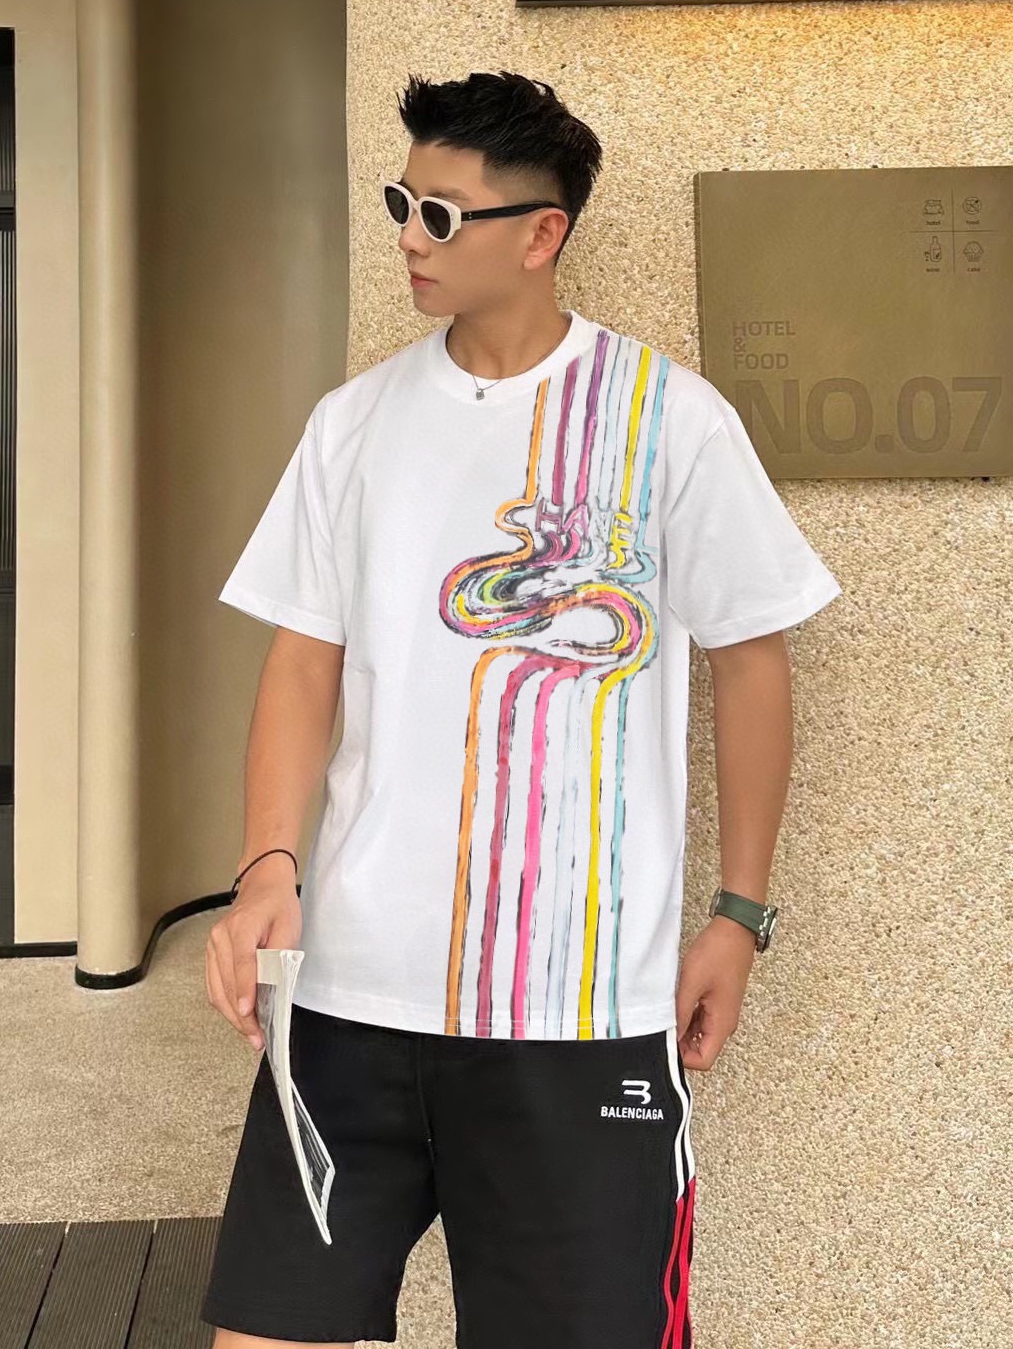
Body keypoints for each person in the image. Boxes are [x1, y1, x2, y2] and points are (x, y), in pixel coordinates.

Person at [200, 69, 842, 1349]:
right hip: (352, 998)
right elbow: (304, 658)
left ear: (542, 233)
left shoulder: (670, 421)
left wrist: (740, 914)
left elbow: (751, 659)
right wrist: (267, 864)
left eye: (441, 214)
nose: (408, 237)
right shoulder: (353, 425)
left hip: (577, 1016)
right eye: (402, 204)